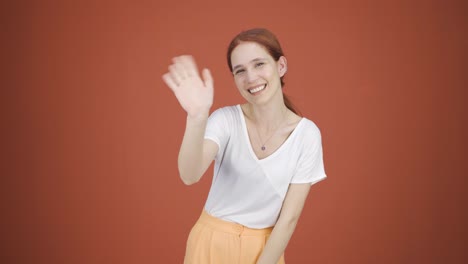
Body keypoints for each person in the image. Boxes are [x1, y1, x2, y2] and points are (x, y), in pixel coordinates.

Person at [162, 28, 327, 264]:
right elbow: (189, 174)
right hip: (209, 245)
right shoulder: (225, 120)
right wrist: (197, 117)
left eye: (259, 64)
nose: (250, 78)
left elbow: (288, 219)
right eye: (240, 71)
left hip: (265, 251)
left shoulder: (307, 135)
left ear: (281, 66)